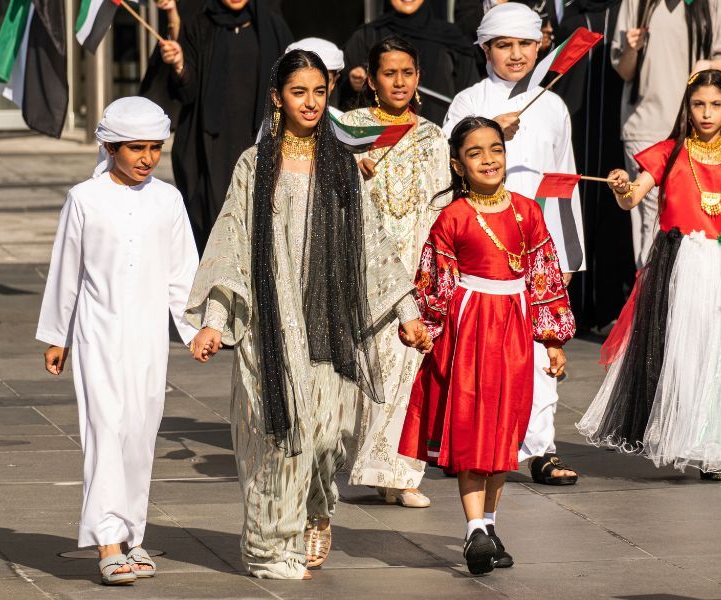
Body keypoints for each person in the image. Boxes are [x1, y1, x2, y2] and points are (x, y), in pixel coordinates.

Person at [183, 49, 432, 580]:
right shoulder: (255, 165)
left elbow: (373, 246)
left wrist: (406, 310)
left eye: (320, 92)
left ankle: (316, 513)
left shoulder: (342, 164)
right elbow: (231, 245)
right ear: (278, 98)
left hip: (327, 321)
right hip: (270, 321)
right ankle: (270, 546)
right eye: (300, 92)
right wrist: (215, 321)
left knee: (324, 436)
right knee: (278, 433)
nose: (312, 102)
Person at [577, 70, 721, 481]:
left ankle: (716, 451)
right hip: (679, 266)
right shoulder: (668, 154)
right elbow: (633, 198)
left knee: (719, 358)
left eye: (716, 105)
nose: (706, 113)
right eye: (698, 104)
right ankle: (683, 438)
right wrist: (621, 187)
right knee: (681, 354)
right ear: (686, 109)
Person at [399, 116, 574, 574]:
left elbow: (545, 278)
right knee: (475, 427)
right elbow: (434, 284)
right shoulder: (452, 218)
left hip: (515, 330)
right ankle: (474, 527)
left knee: (505, 430)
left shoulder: (527, 211)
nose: (488, 159)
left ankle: (490, 525)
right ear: (458, 165)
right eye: (474, 153)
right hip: (471, 329)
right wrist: (424, 328)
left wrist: (553, 339)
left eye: (494, 149)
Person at [36, 97, 200, 585]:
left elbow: (182, 274)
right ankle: (108, 540)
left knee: (140, 433)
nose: (147, 157)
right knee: (105, 431)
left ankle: (134, 535)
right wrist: (56, 335)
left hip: (149, 337)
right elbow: (66, 270)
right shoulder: (84, 198)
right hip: (96, 333)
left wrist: (194, 330)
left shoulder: (168, 199)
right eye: (136, 148)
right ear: (109, 146)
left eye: (155, 148)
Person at [443, 2, 584, 486]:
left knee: (543, 350)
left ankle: (541, 448)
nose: (517, 54)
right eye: (504, 45)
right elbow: (446, 170)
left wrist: (567, 253)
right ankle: (475, 443)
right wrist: (489, 131)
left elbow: (563, 179)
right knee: (481, 355)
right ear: (485, 48)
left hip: (536, 245)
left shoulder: (553, 105)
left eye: (525, 44)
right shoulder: (468, 102)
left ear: (541, 44)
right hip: (480, 249)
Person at [340, 36, 450, 509]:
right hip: (362, 260)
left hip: (416, 263)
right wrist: (350, 166)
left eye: (408, 72)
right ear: (370, 78)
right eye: (389, 73)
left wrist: (441, 263)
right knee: (369, 363)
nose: (399, 82)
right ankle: (363, 463)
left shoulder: (432, 135)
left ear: (419, 76)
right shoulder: (349, 127)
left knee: (410, 364)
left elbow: (442, 202)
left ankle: (401, 473)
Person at [139, 0, 292, 254]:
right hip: (209, 146)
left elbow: (290, 76)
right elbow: (186, 92)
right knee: (212, 226)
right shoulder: (200, 24)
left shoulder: (271, 25)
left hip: (258, 139)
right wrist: (178, 65)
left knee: (258, 224)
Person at [612, 0, 721, 269]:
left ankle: (684, 299)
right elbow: (623, 69)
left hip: (696, 128)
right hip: (646, 125)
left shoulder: (714, 3)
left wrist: (707, 65)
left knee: (693, 218)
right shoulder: (636, 2)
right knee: (650, 219)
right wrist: (632, 49)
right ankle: (648, 300)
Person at [551, 1, 634, 334]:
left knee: (613, 213)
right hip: (578, 132)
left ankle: (609, 306)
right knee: (576, 209)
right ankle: (576, 307)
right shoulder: (572, 17)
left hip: (616, 128)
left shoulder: (626, 13)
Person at [339, 0, 479, 124]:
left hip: (441, 138)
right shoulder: (366, 36)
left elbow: (470, 94)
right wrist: (352, 83)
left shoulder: (451, 38)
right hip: (378, 141)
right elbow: (342, 91)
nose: (400, 82)